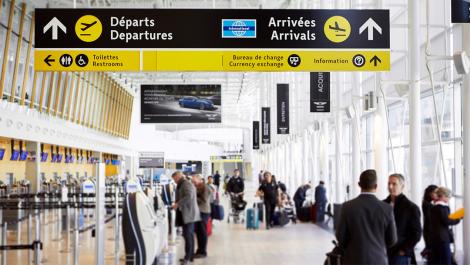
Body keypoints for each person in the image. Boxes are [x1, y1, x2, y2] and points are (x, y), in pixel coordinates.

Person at [336, 169, 397, 265]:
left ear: (359, 184)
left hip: (353, 259)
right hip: (378, 259)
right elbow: (392, 239)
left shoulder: (347, 207)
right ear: (376, 186)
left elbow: (340, 236)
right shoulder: (387, 208)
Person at [383, 174, 422, 265]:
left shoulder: (411, 207)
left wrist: (404, 250)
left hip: (400, 254)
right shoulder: (382, 205)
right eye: (389, 183)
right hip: (383, 252)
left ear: (402, 186)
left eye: (394, 184)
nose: (390, 186)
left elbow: (417, 233)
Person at [171, 171, 201, 265]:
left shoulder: (186, 184)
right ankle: (190, 256)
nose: (174, 181)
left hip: (189, 214)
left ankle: (187, 258)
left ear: (179, 176)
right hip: (187, 214)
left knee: (188, 236)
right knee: (189, 236)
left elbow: (189, 196)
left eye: (175, 179)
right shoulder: (182, 184)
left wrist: (178, 204)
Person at [428, 187, 462, 265]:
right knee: (446, 260)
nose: (449, 199)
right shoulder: (442, 207)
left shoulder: (434, 207)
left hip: (435, 238)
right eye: (448, 196)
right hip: (442, 239)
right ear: (443, 196)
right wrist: (458, 218)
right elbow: (447, 220)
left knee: (438, 260)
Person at [191, 174, 211, 259]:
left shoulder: (205, 187)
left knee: (202, 232)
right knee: (199, 232)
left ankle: (203, 252)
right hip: (199, 212)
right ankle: (199, 250)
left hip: (204, 211)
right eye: (192, 181)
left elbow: (204, 199)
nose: (193, 183)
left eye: (194, 181)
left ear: (200, 180)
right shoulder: (198, 187)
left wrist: (193, 198)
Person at [421, 184, 438, 259]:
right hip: (429, 231)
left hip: (428, 230)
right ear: (430, 193)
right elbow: (430, 218)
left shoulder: (427, 203)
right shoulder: (428, 204)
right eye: (435, 192)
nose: (437, 194)